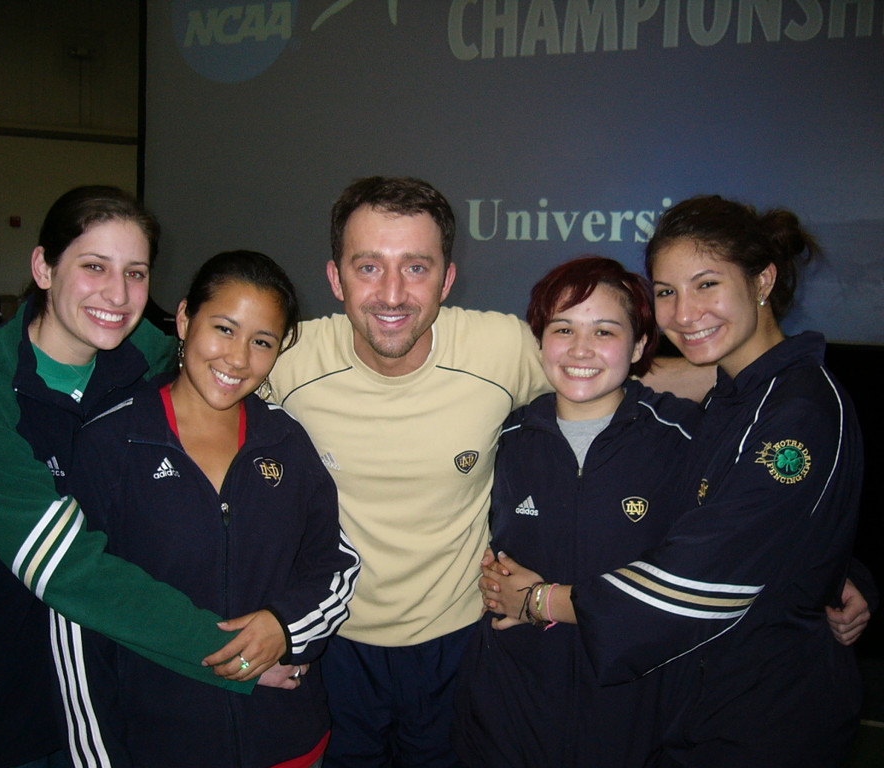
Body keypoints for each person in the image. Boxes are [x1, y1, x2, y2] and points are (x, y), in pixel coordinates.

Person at [480, 195, 865, 766]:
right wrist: (838, 574)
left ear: (762, 280)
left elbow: (704, 576)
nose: (685, 313)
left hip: (763, 718)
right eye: (666, 292)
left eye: (706, 284)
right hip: (696, 706)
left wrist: (540, 600)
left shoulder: (796, 409)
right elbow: (769, 521)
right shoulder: (735, 400)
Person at [0, 187, 273, 768]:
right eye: (94, 267)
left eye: (136, 272)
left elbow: (247, 359)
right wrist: (235, 654)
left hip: (115, 702)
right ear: (43, 268)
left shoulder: (154, 361)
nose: (118, 295)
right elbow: (65, 566)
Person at [265, 176, 553, 767]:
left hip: (460, 640)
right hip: (332, 642)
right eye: (368, 267)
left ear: (447, 279)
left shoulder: (500, 348)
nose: (391, 294)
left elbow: (610, 377)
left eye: (416, 268)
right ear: (335, 278)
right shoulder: (288, 357)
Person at [52, 250, 360, 768]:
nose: (238, 358)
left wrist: (285, 628)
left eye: (261, 342)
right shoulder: (113, 443)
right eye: (223, 328)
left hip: (286, 737)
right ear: (183, 319)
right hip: (158, 744)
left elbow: (335, 564)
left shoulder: (284, 439)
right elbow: (76, 619)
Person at [452, 256, 701, 767]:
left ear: (637, 347)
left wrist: (843, 576)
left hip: (636, 717)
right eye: (563, 328)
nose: (580, 349)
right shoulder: (503, 438)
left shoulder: (683, 438)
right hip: (511, 717)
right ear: (540, 340)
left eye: (604, 331)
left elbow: (751, 527)